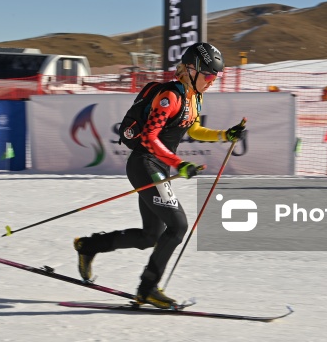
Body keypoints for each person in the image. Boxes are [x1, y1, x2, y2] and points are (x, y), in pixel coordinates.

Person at [73, 42, 246, 310]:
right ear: (191, 70)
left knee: (149, 237)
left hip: (158, 167)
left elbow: (195, 129)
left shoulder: (195, 97)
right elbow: (149, 136)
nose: (212, 81)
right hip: (144, 164)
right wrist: (179, 163)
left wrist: (225, 135)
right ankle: (148, 288)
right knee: (177, 226)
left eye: (215, 77)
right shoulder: (170, 96)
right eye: (209, 75)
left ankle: (88, 246)